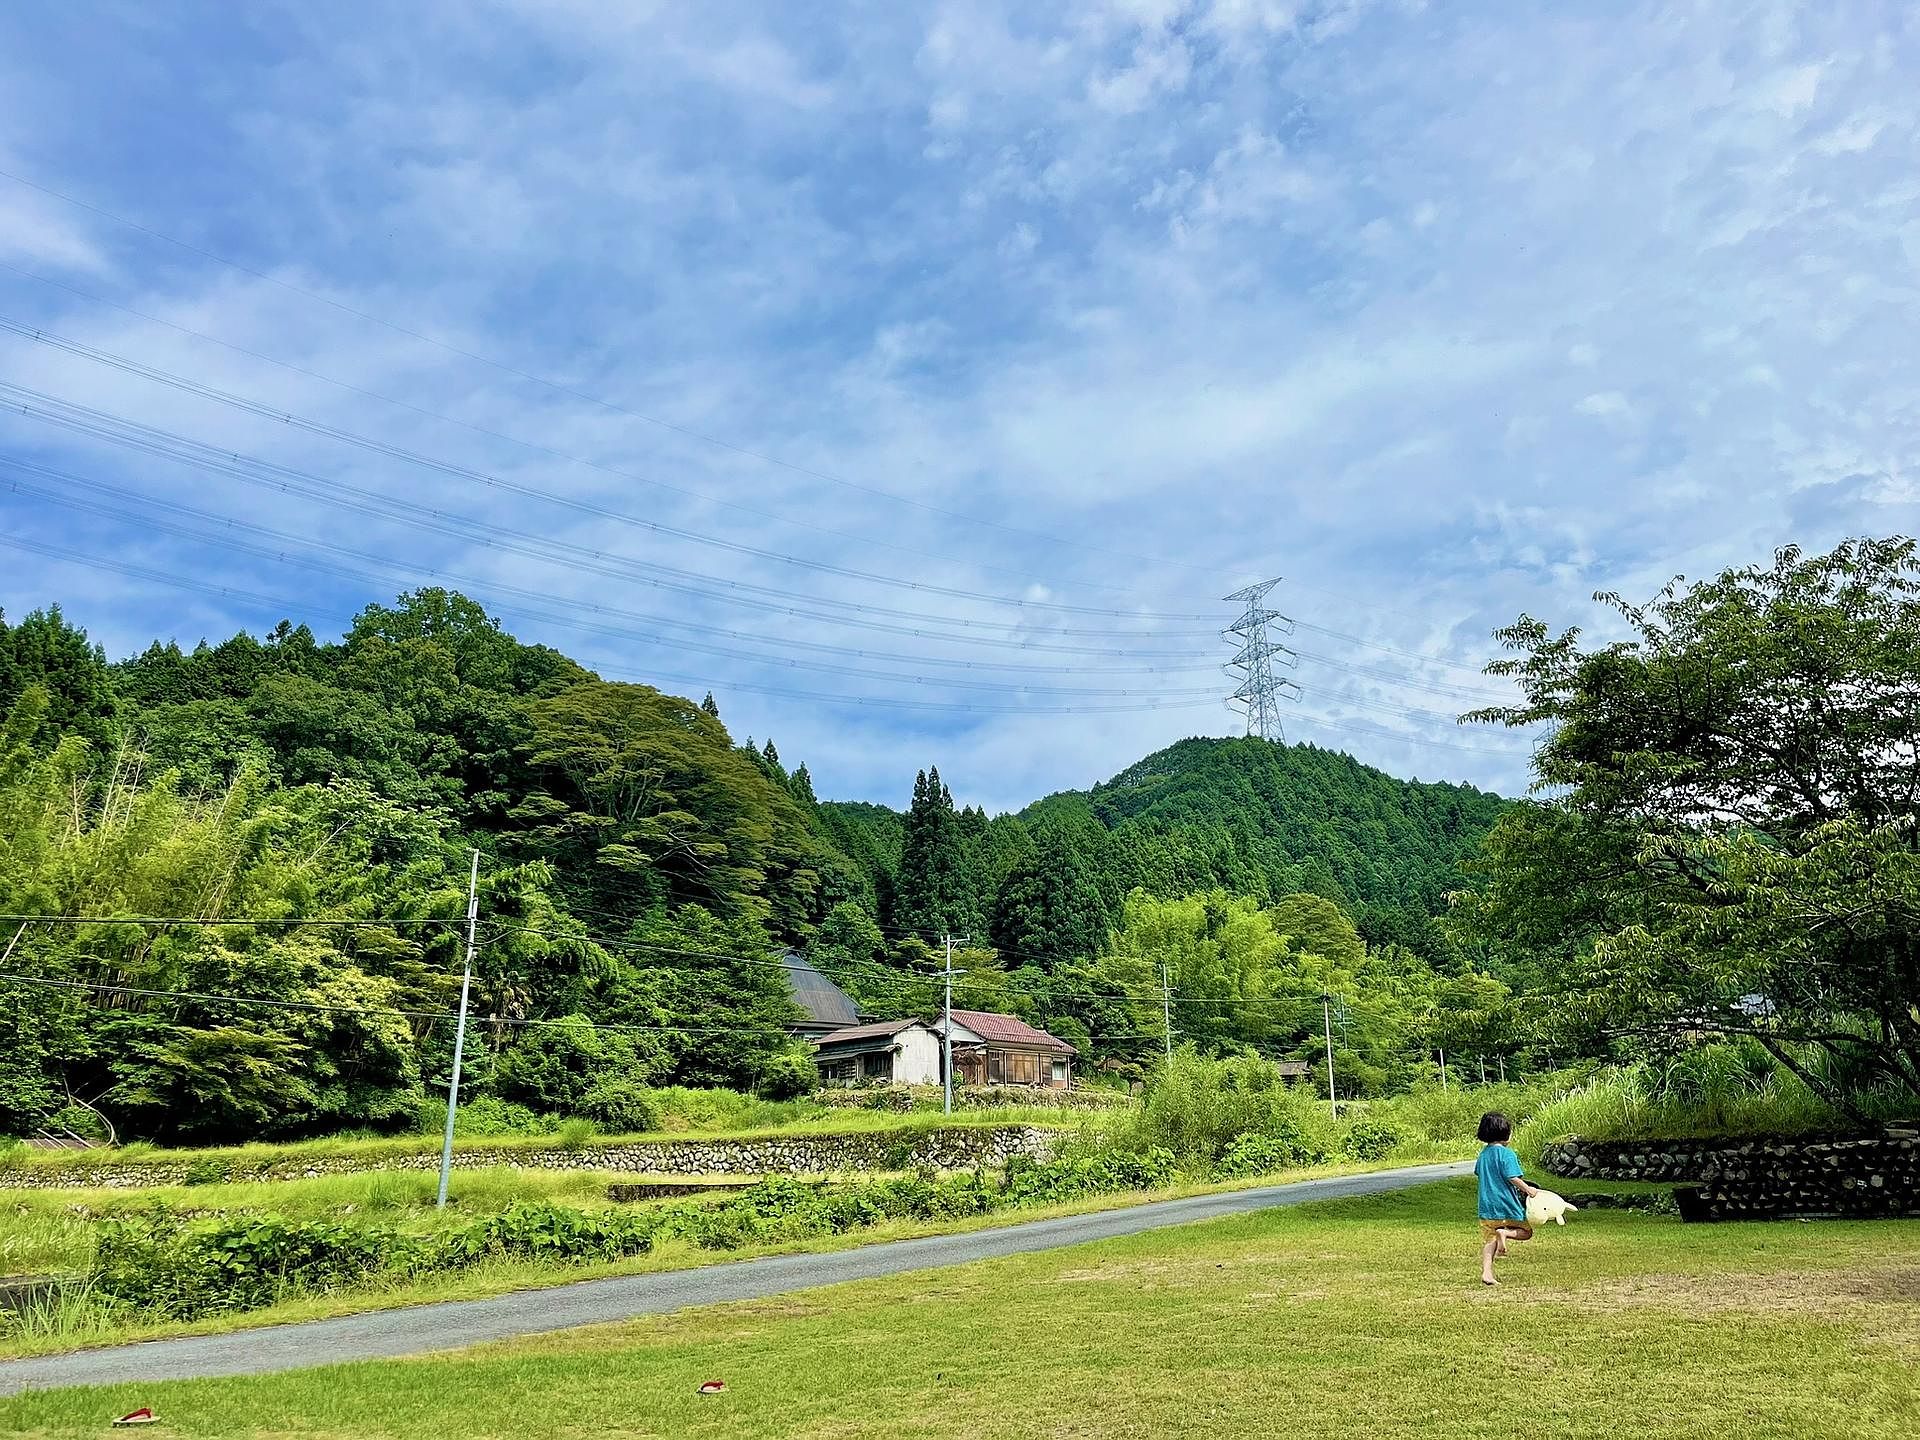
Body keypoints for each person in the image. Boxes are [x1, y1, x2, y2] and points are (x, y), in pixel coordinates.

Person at [1475, 1111, 1537, 1286]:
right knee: (1526, 1232)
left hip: (1487, 1207)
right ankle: (1506, 1233)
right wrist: (1529, 1190)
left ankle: (1487, 1273)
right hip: (1507, 1205)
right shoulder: (1507, 1154)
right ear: (1505, 1134)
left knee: (1489, 1239)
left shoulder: (1483, 1155)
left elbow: (1479, 1173)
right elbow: (1512, 1177)